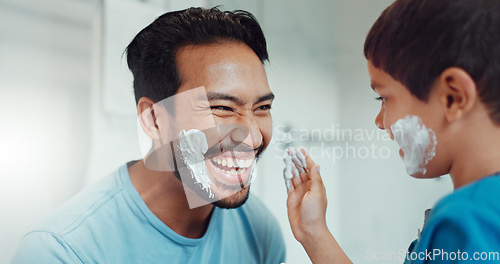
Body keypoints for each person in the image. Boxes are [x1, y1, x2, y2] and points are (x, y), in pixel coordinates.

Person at [12, 7, 286, 264]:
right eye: (223, 108)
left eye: (262, 107)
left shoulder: (260, 231)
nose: (253, 136)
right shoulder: (62, 250)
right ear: (154, 119)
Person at [286, 0, 500, 263]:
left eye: (383, 98)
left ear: (453, 97)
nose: (379, 121)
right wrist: (313, 231)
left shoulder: (467, 222)